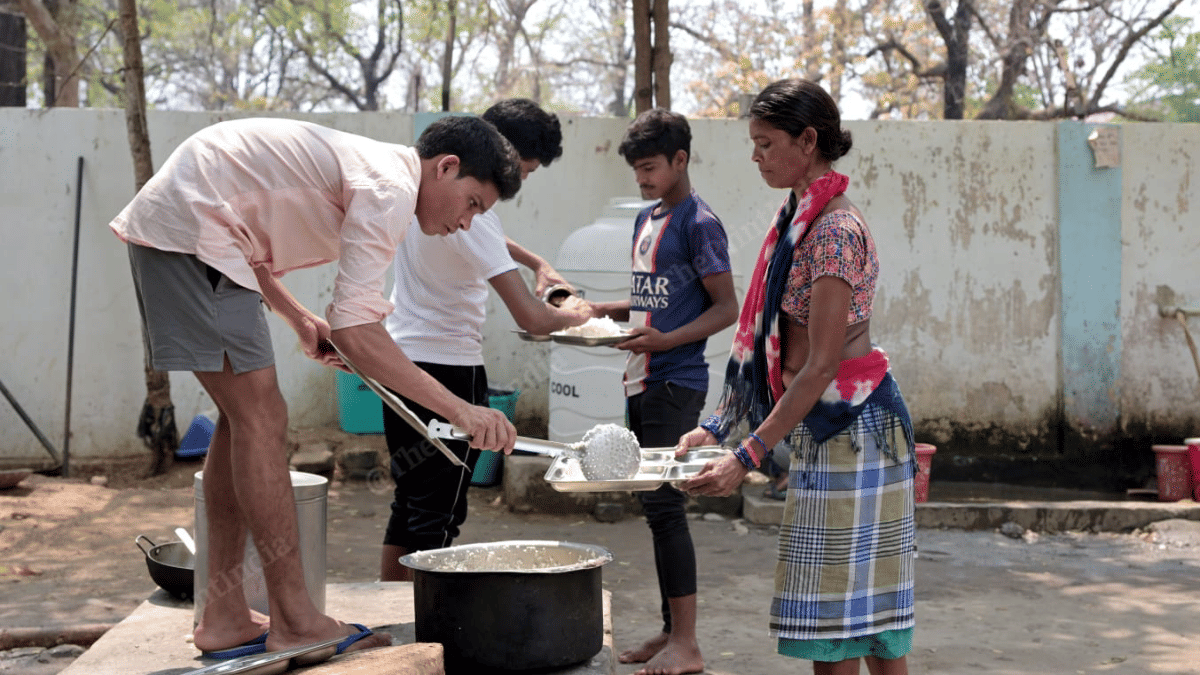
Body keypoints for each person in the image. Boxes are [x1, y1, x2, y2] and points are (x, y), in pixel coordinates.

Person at [109, 115, 522, 663]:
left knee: (242, 418)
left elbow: (259, 258)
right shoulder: (391, 187)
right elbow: (357, 330)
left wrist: (299, 318)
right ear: (446, 168)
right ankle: (296, 620)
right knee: (263, 417)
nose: (468, 223)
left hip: (201, 232)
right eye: (473, 203)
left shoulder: (377, 173)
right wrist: (459, 409)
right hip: (193, 231)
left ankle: (225, 614)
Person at [678, 78, 916, 675]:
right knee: (858, 619)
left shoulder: (833, 233)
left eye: (765, 143)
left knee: (846, 629)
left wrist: (747, 455)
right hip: (831, 429)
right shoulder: (798, 217)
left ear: (807, 141)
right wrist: (718, 427)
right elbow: (769, 345)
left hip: (853, 431)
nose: (755, 155)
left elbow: (819, 366)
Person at [378, 99, 593, 582]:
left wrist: (536, 261)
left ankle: (387, 608)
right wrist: (577, 316)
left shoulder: (430, 192)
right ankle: (419, 633)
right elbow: (532, 318)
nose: (520, 185)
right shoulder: (474, 214)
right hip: (449, 371)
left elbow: (490, 236)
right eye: (524, 171)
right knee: (438, 515)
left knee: (411, 501)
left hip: (402, 362)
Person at [589, 108, 739, 675]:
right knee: (655, 506)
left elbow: (726, 308)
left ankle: (689, 644)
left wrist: (665, 341)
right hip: (640, 375)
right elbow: (650, 296)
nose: (643, 179)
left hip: (675, 378)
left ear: (681, 159)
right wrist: (602, 311)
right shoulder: (647, 219)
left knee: (665, 506)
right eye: (637, 171)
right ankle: (671, 631)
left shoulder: (701, 224)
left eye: (651, 168)